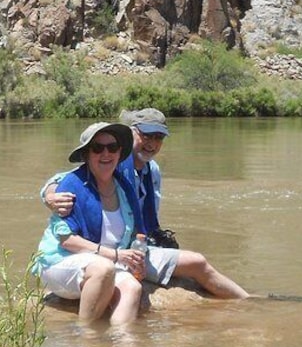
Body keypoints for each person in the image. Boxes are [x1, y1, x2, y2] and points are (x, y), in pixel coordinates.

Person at [41, 108, 251, 300]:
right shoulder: (113, 162)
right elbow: (67, 178)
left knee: (198, 262)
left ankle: (250, 301)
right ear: (132, 133)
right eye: (146, 135)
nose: (151, 143)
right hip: (105, 253)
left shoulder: (152, 170)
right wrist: (49, 195)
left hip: (136, 246)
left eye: (158, 137)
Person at [32, 122, 148, 325]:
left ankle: (123, 346)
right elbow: (67, 241)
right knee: (103, 268)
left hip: (106, 263)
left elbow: (137, 234)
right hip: (62, 261)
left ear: (120, 152)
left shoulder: (125, 187)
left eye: (112, 147)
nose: (106, 153)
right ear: (86, 154)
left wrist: (137, 260)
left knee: (133, 287)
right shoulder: (70, 185)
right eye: (97, 148)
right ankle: (87, 336)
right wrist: (116, 255)